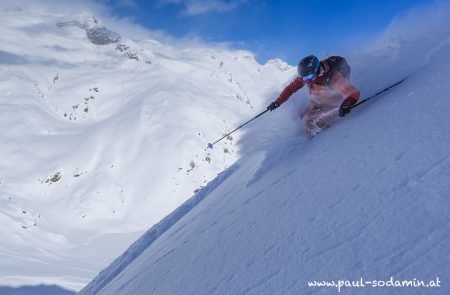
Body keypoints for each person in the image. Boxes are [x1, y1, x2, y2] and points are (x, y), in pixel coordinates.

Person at [267, 55, 360, 136]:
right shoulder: (306, 77)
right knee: (301, 119)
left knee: (311, 125)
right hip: (316, 103)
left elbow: (353, 93)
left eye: (308, 77)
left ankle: (313, 145)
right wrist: (277, 102)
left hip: (332, 105)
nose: (306, 80)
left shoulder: (333, 78)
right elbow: (290, 89)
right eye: (304, 78)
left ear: (318, 70)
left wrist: (346, 104)